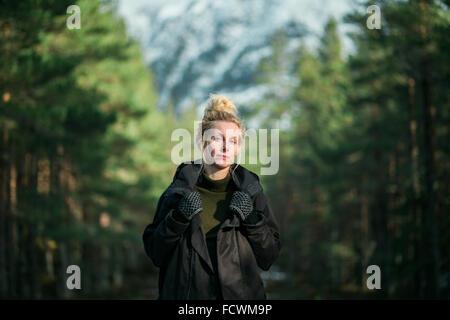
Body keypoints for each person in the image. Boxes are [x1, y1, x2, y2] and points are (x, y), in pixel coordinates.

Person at [142, 94, 281, 300]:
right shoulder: (178, 192)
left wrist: (252, 219)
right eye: (217, 138)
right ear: (203, 142)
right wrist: (178, 218)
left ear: (238, 147)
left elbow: (268, 257)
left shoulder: (251, 192)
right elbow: (156, 253)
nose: (226, 147)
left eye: (233, 141)